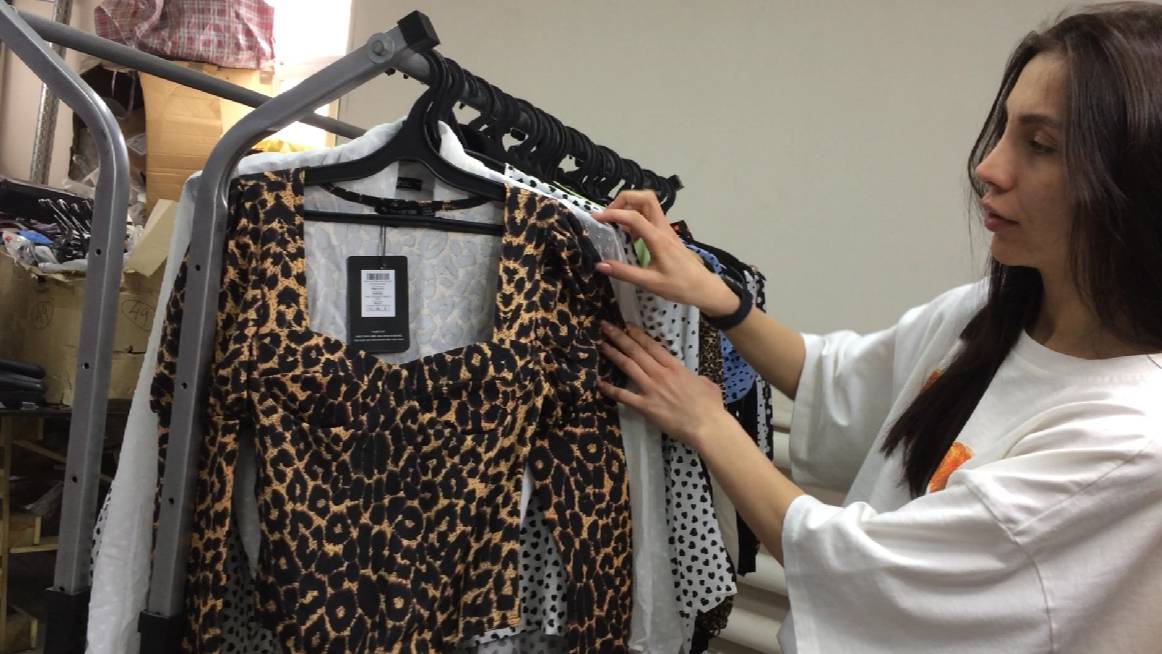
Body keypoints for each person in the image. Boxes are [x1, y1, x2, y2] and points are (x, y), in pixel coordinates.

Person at [591, 3, 1162, 653]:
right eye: (1004, 129)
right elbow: (838, 379)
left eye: (1040, 145)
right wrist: (717, 298)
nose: (988, 168)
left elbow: (871, 571)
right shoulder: (991, 313)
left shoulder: (1130, 443)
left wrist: (707, 423)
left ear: (1139, 178)